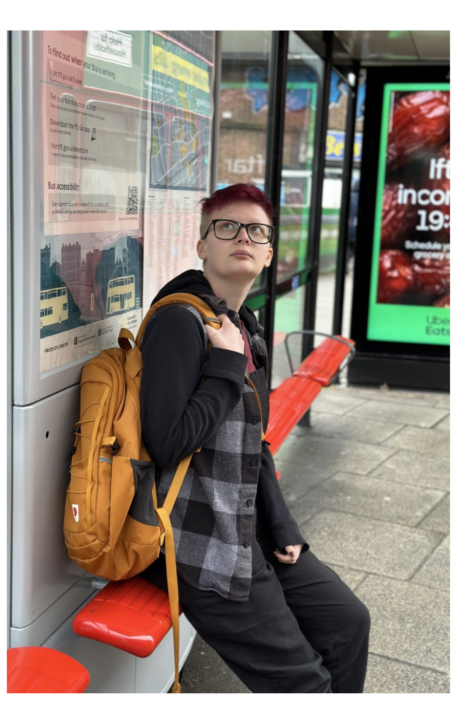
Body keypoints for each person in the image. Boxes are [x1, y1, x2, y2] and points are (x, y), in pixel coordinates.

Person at [138, 183, 370, 693]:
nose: (242, 236)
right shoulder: (181, 322)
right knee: (303, 684)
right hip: (198, 543)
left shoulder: (244, 324)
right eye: (226, 227)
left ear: (267, 254)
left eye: (256, 230)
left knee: (348, 622)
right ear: (203, 245)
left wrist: (282, 523)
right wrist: (224, 367)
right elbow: (165, 442)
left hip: (246, 525)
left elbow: (255, 440)